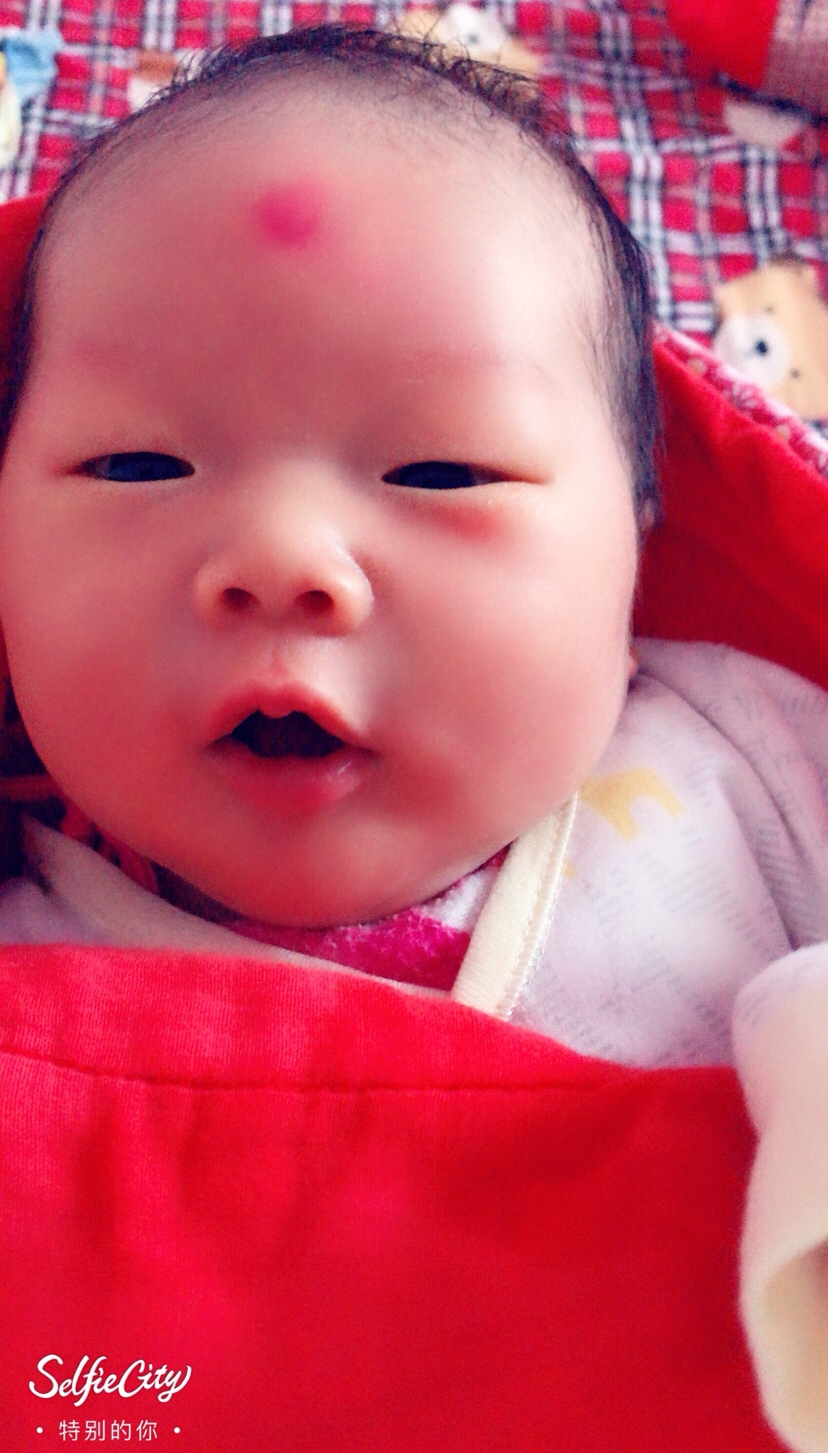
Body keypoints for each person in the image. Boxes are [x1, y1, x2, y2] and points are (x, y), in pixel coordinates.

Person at [0, 24, 825, 1071]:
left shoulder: (763, 765)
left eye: (443, 474)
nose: (283, 558)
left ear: (635, 557)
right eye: (136, 465)